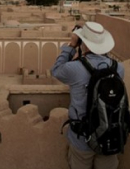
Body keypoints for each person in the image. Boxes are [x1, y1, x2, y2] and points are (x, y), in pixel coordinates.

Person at [51, 21, 124, 169]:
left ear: (83, 43)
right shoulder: (119, 68)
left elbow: (56, 70)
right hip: (109, 136)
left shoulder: (75, 69)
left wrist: (71, 46)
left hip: (82, 139)